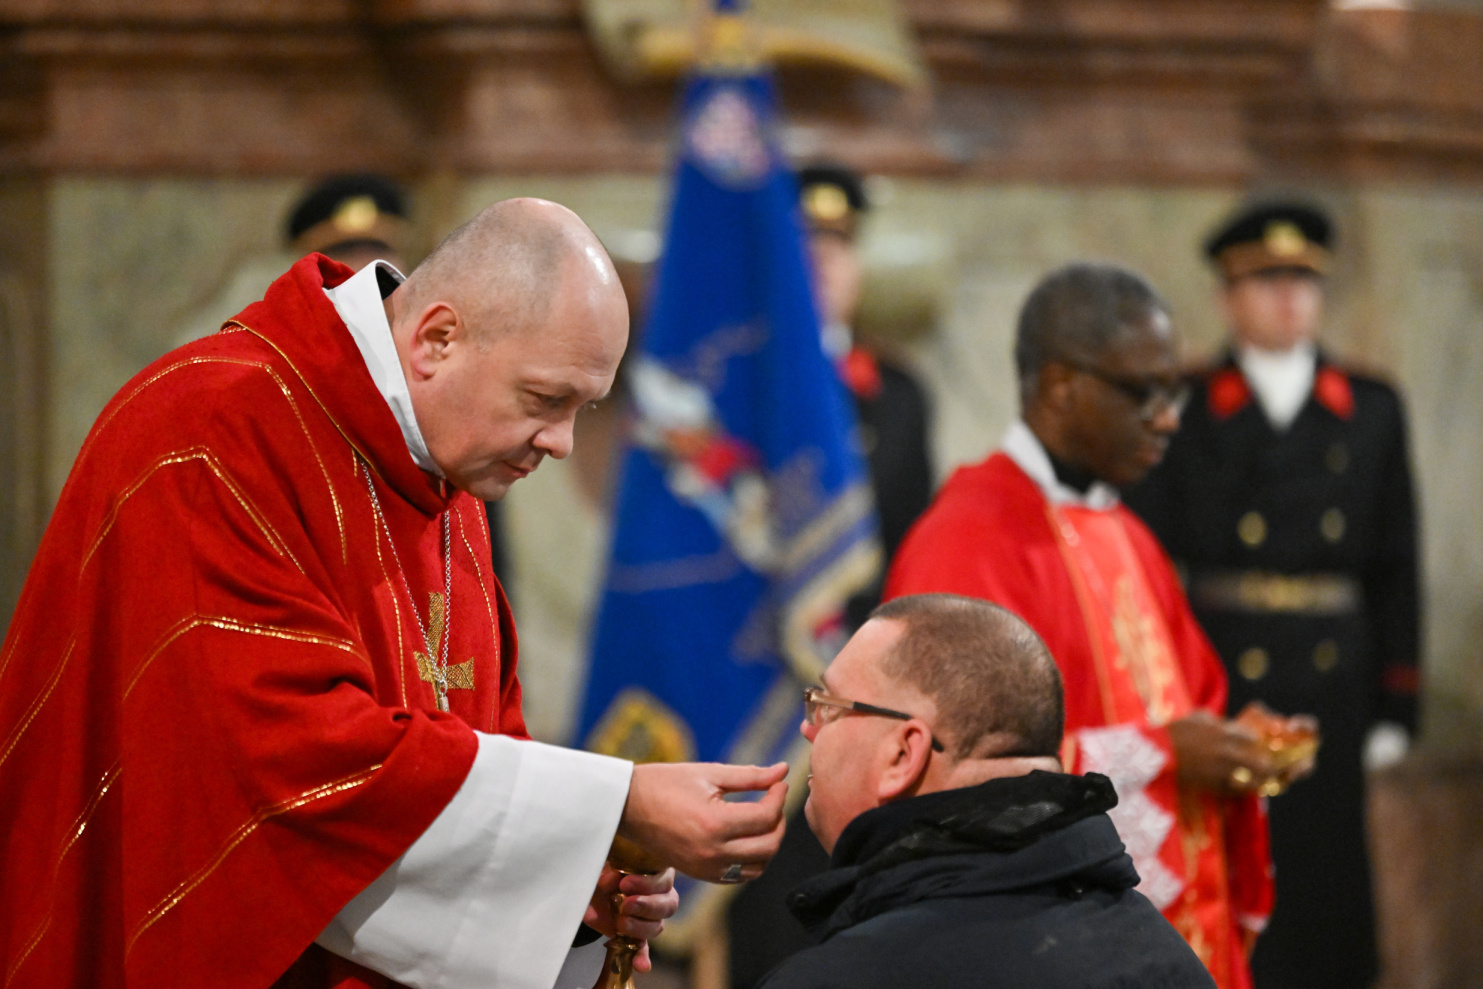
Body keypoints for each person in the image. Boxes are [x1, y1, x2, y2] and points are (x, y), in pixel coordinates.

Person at [0, 198, 788, 989]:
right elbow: (282, 765)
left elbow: (482, 740)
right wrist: (612, 807)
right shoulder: (206, 433)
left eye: (583, 408)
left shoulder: (445, 472)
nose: (563, 443)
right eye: (546, 400)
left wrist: (574, 878)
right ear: (436, 339)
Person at [885, 263, 1303, 989]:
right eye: (1142, 391)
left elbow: (1188, 702)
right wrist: (1164, 754)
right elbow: (950, 775)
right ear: (1058, 385)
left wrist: (1231, 747)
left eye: (1172, 392)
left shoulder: (1125, 534)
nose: (1169, 417)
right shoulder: (967, 540)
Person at [1124, 200, 1421, 989]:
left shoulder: (1370, 407)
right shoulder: (1183, 406)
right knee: (1234, 868)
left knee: (1328, 877)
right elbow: (1147, 563)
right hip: (1224, 669)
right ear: (1227, 296)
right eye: (1266, 281)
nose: (1289, 297)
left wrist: (1397, 700)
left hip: (1334, 674)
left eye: (1302, 280)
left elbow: (1395, 558)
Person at [758, 593, 1218, 989]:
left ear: (903, 754)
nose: (807, 728)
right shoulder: (1171, 959)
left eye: (829, 707)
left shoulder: (842, 979)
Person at [727, 163, 936, 989]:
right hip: (759, 698)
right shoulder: (734, 399)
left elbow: (910, 560)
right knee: (765, 933)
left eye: (839, 242)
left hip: (864, 701)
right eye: (803, 242)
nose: (821, 259)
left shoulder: (901, 398)